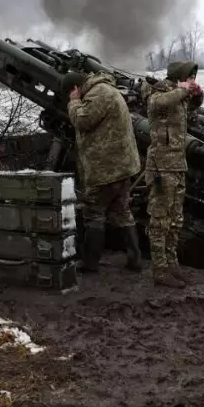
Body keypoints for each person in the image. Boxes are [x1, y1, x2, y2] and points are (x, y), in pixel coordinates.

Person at [65, 70, 143, 273]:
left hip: (107, 168)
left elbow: (83, 121)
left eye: (71, 92)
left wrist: (73, 102)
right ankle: (135, 259)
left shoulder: (98, 93)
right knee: (121, 211)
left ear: (75, 88)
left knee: (94, 212)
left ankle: (90, 263)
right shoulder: (105, 89)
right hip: (120, 166)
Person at [140, 61, 204, 289]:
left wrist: (197, 93)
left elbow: (193, 105)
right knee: (159, 220)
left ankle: (172, 265)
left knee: (176, 221)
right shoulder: (157, 92)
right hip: (160, 169)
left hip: (177, 166)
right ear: (179, 77)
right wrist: (183, 90)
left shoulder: (179, 95)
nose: (192, 80)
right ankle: (160, 270)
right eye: (190, 77)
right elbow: (157, 103)